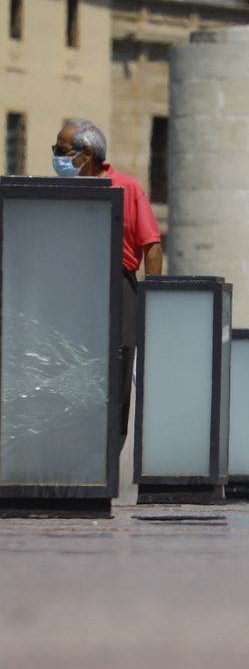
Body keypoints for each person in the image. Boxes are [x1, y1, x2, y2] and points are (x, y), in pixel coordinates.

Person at [53, 118, 162, 452]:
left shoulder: (127, 187)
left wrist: (152, 305)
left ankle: (109, 458)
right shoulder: (62, 192)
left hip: (119, 287)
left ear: (86, 154)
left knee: (117, 377)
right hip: (74, 289)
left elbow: (151, 246)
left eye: (61, 150)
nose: (56, 157)